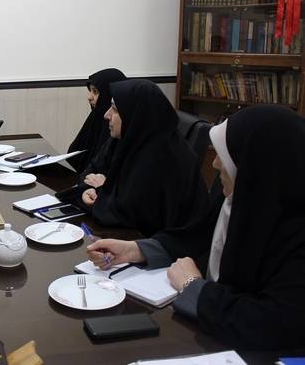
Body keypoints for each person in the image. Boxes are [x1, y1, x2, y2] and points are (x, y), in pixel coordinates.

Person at [87, 105, 305, 349]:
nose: (215, 164)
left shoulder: (295, 235)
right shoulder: (239, 197)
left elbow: (272, 324)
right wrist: (134, 250)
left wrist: (193, 286)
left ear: (258, 166)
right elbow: (195, 237)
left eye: (225, 155)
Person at [80, 79, 209, 238]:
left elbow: (132, 215)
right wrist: (86, 191)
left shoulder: (163, 156)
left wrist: (104, 188)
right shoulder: (124, 138)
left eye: (115, 109)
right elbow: (89, 172)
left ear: (135, 114)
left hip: (162, 244)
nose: (107, 115)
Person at [67, 68, 126, 173]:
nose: (89, 97)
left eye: (95, 92)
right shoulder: (94, 118)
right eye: (90, 91)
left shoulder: (117, 128)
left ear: (108, 93)